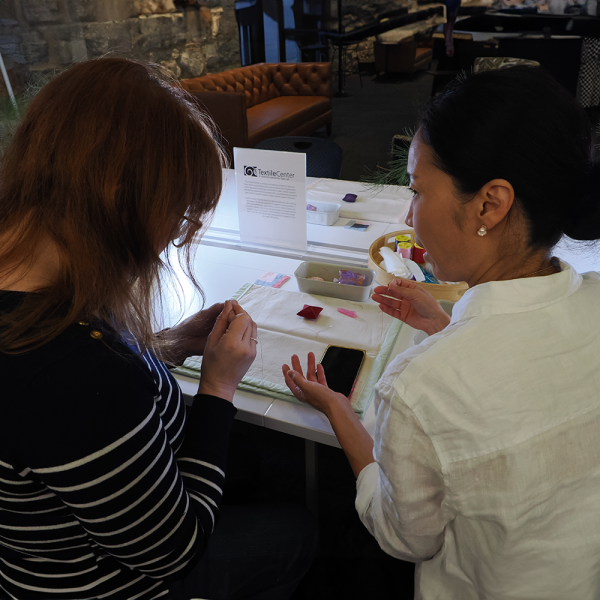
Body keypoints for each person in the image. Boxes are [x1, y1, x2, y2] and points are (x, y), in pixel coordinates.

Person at [0, 57, 316, 600]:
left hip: (53, 534)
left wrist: (166, 345)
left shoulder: (43, 279)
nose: (176, 234)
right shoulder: (69, 375)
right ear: (121, 195)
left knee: (247, 464)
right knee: (302, 531)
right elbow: (174, 551)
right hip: (98, 584)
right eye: (180, 212)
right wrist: (218, 388)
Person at [283, 65, 600, 599]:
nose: (410, 214)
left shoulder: (420, 386)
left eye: (417, 190)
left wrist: (337, 406)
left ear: (490, 204)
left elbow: (406, 537)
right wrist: (448, 328)